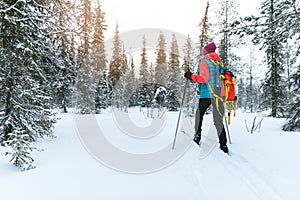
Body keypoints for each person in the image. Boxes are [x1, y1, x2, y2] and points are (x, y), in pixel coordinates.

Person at [184, 42, 228, 153]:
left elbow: (204, 78)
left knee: (199, 114)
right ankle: (223, 145)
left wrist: (191, 76)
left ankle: (197, 136)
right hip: (219, 94)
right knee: (218, 120)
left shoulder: (205, 61)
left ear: (206, 51)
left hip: (207, 94)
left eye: (204, 51)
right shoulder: (219, 62)